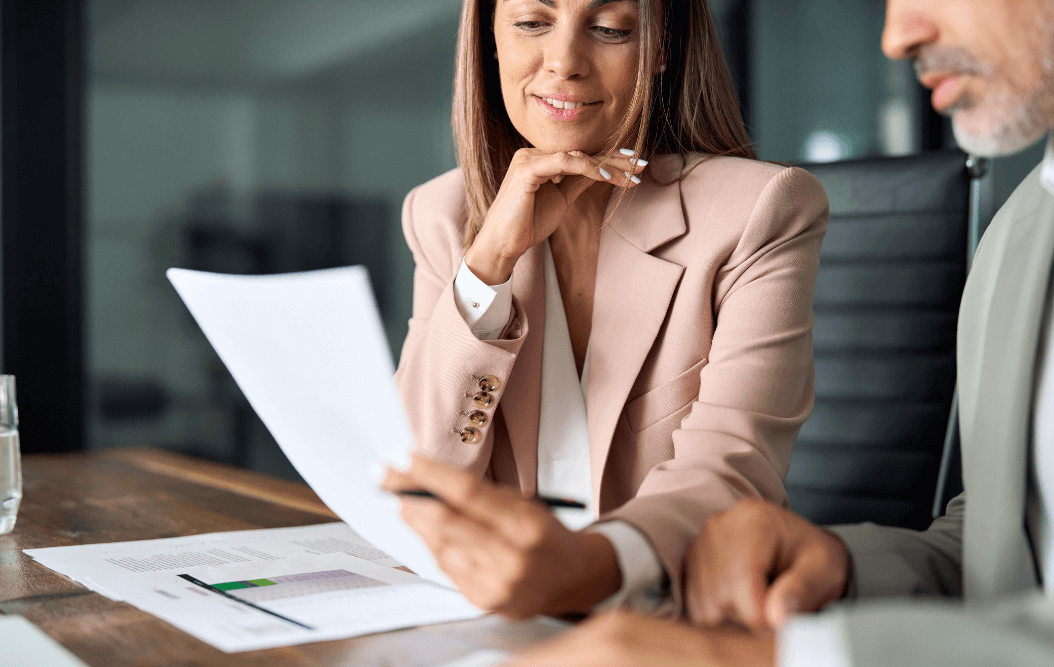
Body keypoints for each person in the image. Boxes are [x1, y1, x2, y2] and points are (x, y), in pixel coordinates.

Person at [501, 0, 1054, 665]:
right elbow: (1009, 556)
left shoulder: (761, 208)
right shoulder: (1023, 232)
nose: (896, 37)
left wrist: (789, 656)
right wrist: (843, 566)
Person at [383, 0, 828, 620]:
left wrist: (583, 572)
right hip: (488, 622)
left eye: (611, 29)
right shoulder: (441, 214)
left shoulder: (760, 212)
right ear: (489, 39)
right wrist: (488, 265)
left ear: (662, 47)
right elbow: (414, 482)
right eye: (532, 23)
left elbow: (728, 473)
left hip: (668, 622)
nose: (564, 62)